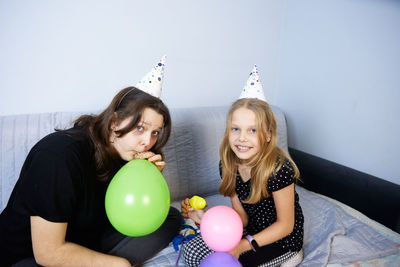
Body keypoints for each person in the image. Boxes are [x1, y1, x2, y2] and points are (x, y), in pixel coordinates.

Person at [0, 56, 182, 267]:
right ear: (114, 122)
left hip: (85, 235)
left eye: (155, 133)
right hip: (30, 255)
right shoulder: (58, 155)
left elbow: (125, 208)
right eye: (140, 127)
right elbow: (48, 252)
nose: (147, 142)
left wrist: (148, 178)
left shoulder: (123, 152)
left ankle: (89, 258)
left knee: (168, 218)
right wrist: (118, 264)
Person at [181, 66, 304, 267]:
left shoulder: (279, 170)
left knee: (231, 263)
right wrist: (207, 220)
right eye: (236, 129)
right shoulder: (228, 165)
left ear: (268, 135)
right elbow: (242, 218)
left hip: (281, 240)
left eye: (252, 130)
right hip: (251, 230)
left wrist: (240, 246)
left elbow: (285, 225)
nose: (242, 138)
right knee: (192, 253)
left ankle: (293, 255)